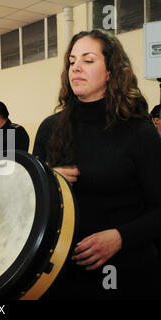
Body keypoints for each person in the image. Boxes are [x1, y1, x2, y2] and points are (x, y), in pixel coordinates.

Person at [33, 29, 161, 299]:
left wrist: (120, 237)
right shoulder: (49, 129)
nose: (76, 67)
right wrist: (45, 180)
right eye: (72, 61)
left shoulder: (139, 132)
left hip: (126, 272)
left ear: (111, 72)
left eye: (88, 60)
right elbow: (32, 208)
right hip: (61, 274)